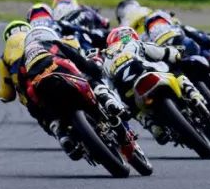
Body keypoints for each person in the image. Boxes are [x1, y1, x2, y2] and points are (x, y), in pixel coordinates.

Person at [18, 22, 128, 158]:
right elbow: (79, 60)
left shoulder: (22, 62)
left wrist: (45, 122)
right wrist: (95, 70)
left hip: (40, 86)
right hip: (60, 69)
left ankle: (61, 135)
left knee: (50, 117)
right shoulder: (53, 43)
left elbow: (26, 97)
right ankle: (109, 101)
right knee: (89, 79)